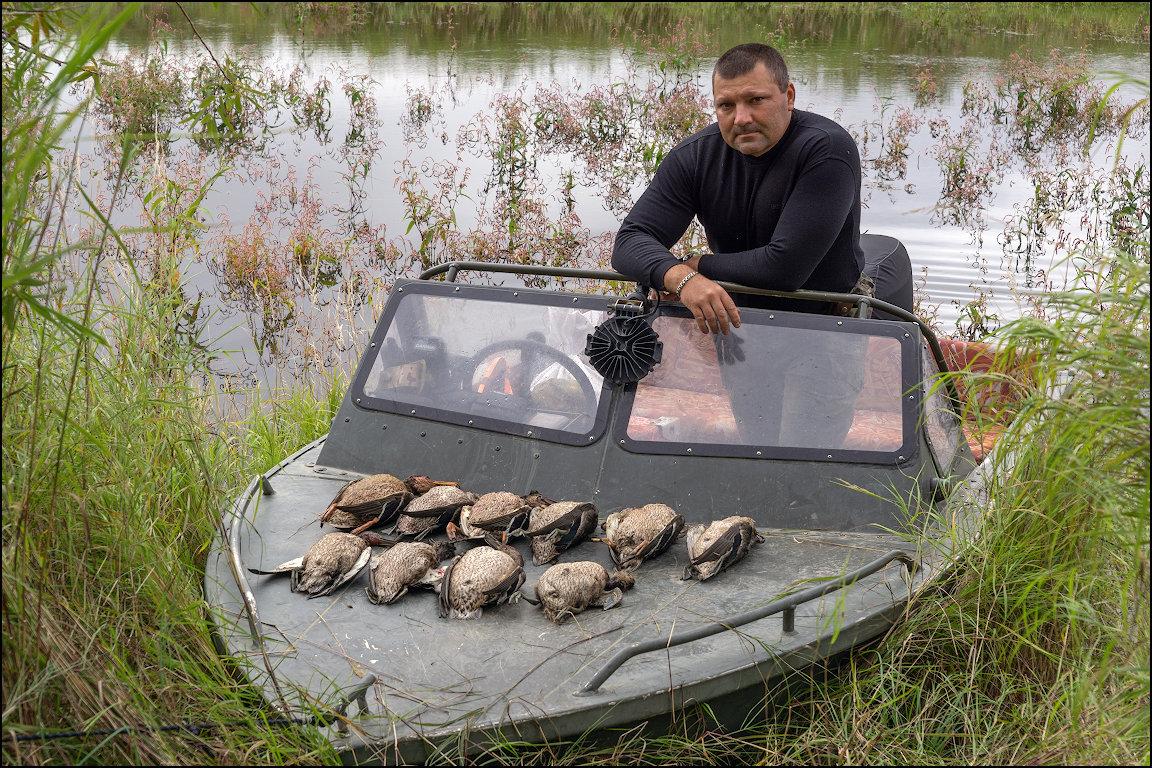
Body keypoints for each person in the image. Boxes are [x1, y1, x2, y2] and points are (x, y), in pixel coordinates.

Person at [611, 43, 870, 449]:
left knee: (804, 459)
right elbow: (629, 241)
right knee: (754, 450)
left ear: (788, 96)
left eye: (756, 100)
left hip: (823, 324)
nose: (741, 118)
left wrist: (699, 266)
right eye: (726, 105)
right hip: (742, 324)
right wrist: (681, 278)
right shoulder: (695, 157)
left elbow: (785, 269)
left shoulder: (826, 148)